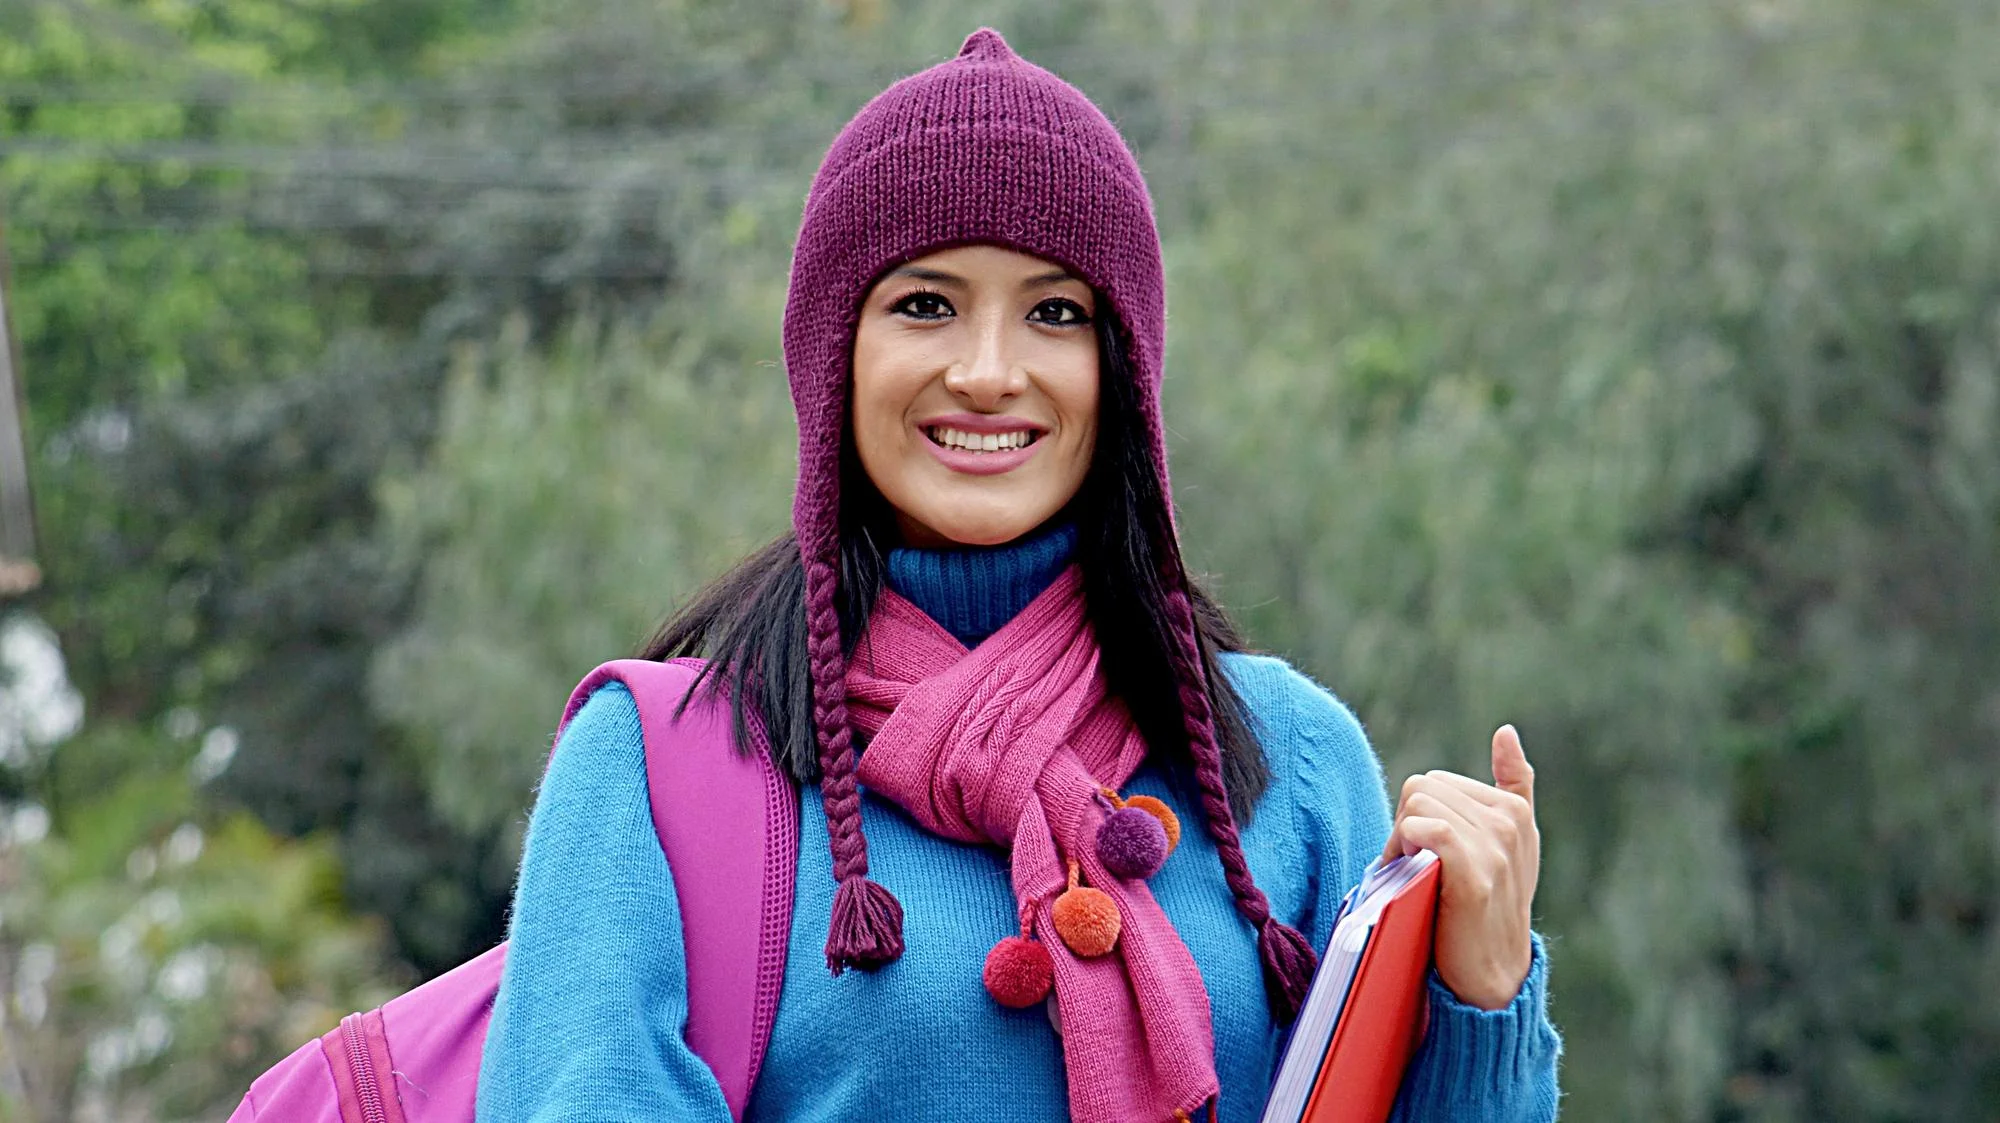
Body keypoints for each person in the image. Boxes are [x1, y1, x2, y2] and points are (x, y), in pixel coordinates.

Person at [477, 28, 1561, 1123]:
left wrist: (1482, 997)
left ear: (1120, 370)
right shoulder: (656, 767)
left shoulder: (1295, 758)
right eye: (924, 304)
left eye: (1054, 313)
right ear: (833, 354)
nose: (988, 372)